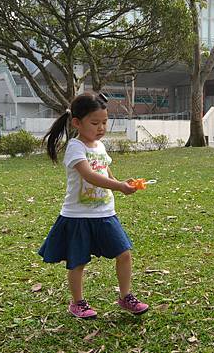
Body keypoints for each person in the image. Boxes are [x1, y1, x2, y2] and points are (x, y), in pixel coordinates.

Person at [38, 93, 148, 319]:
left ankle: (125, 296)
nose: (101, 128)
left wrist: (122, 183)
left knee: (124, 253)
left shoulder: (99, 146)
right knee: (77, 262)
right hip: (77, 215)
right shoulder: (75, 147)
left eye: (105, 122)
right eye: (95, 123)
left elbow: (104, 170)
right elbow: (89, 175)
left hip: (105, 213)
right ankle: (77, 302)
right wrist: (118, 186)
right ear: (77, 123)